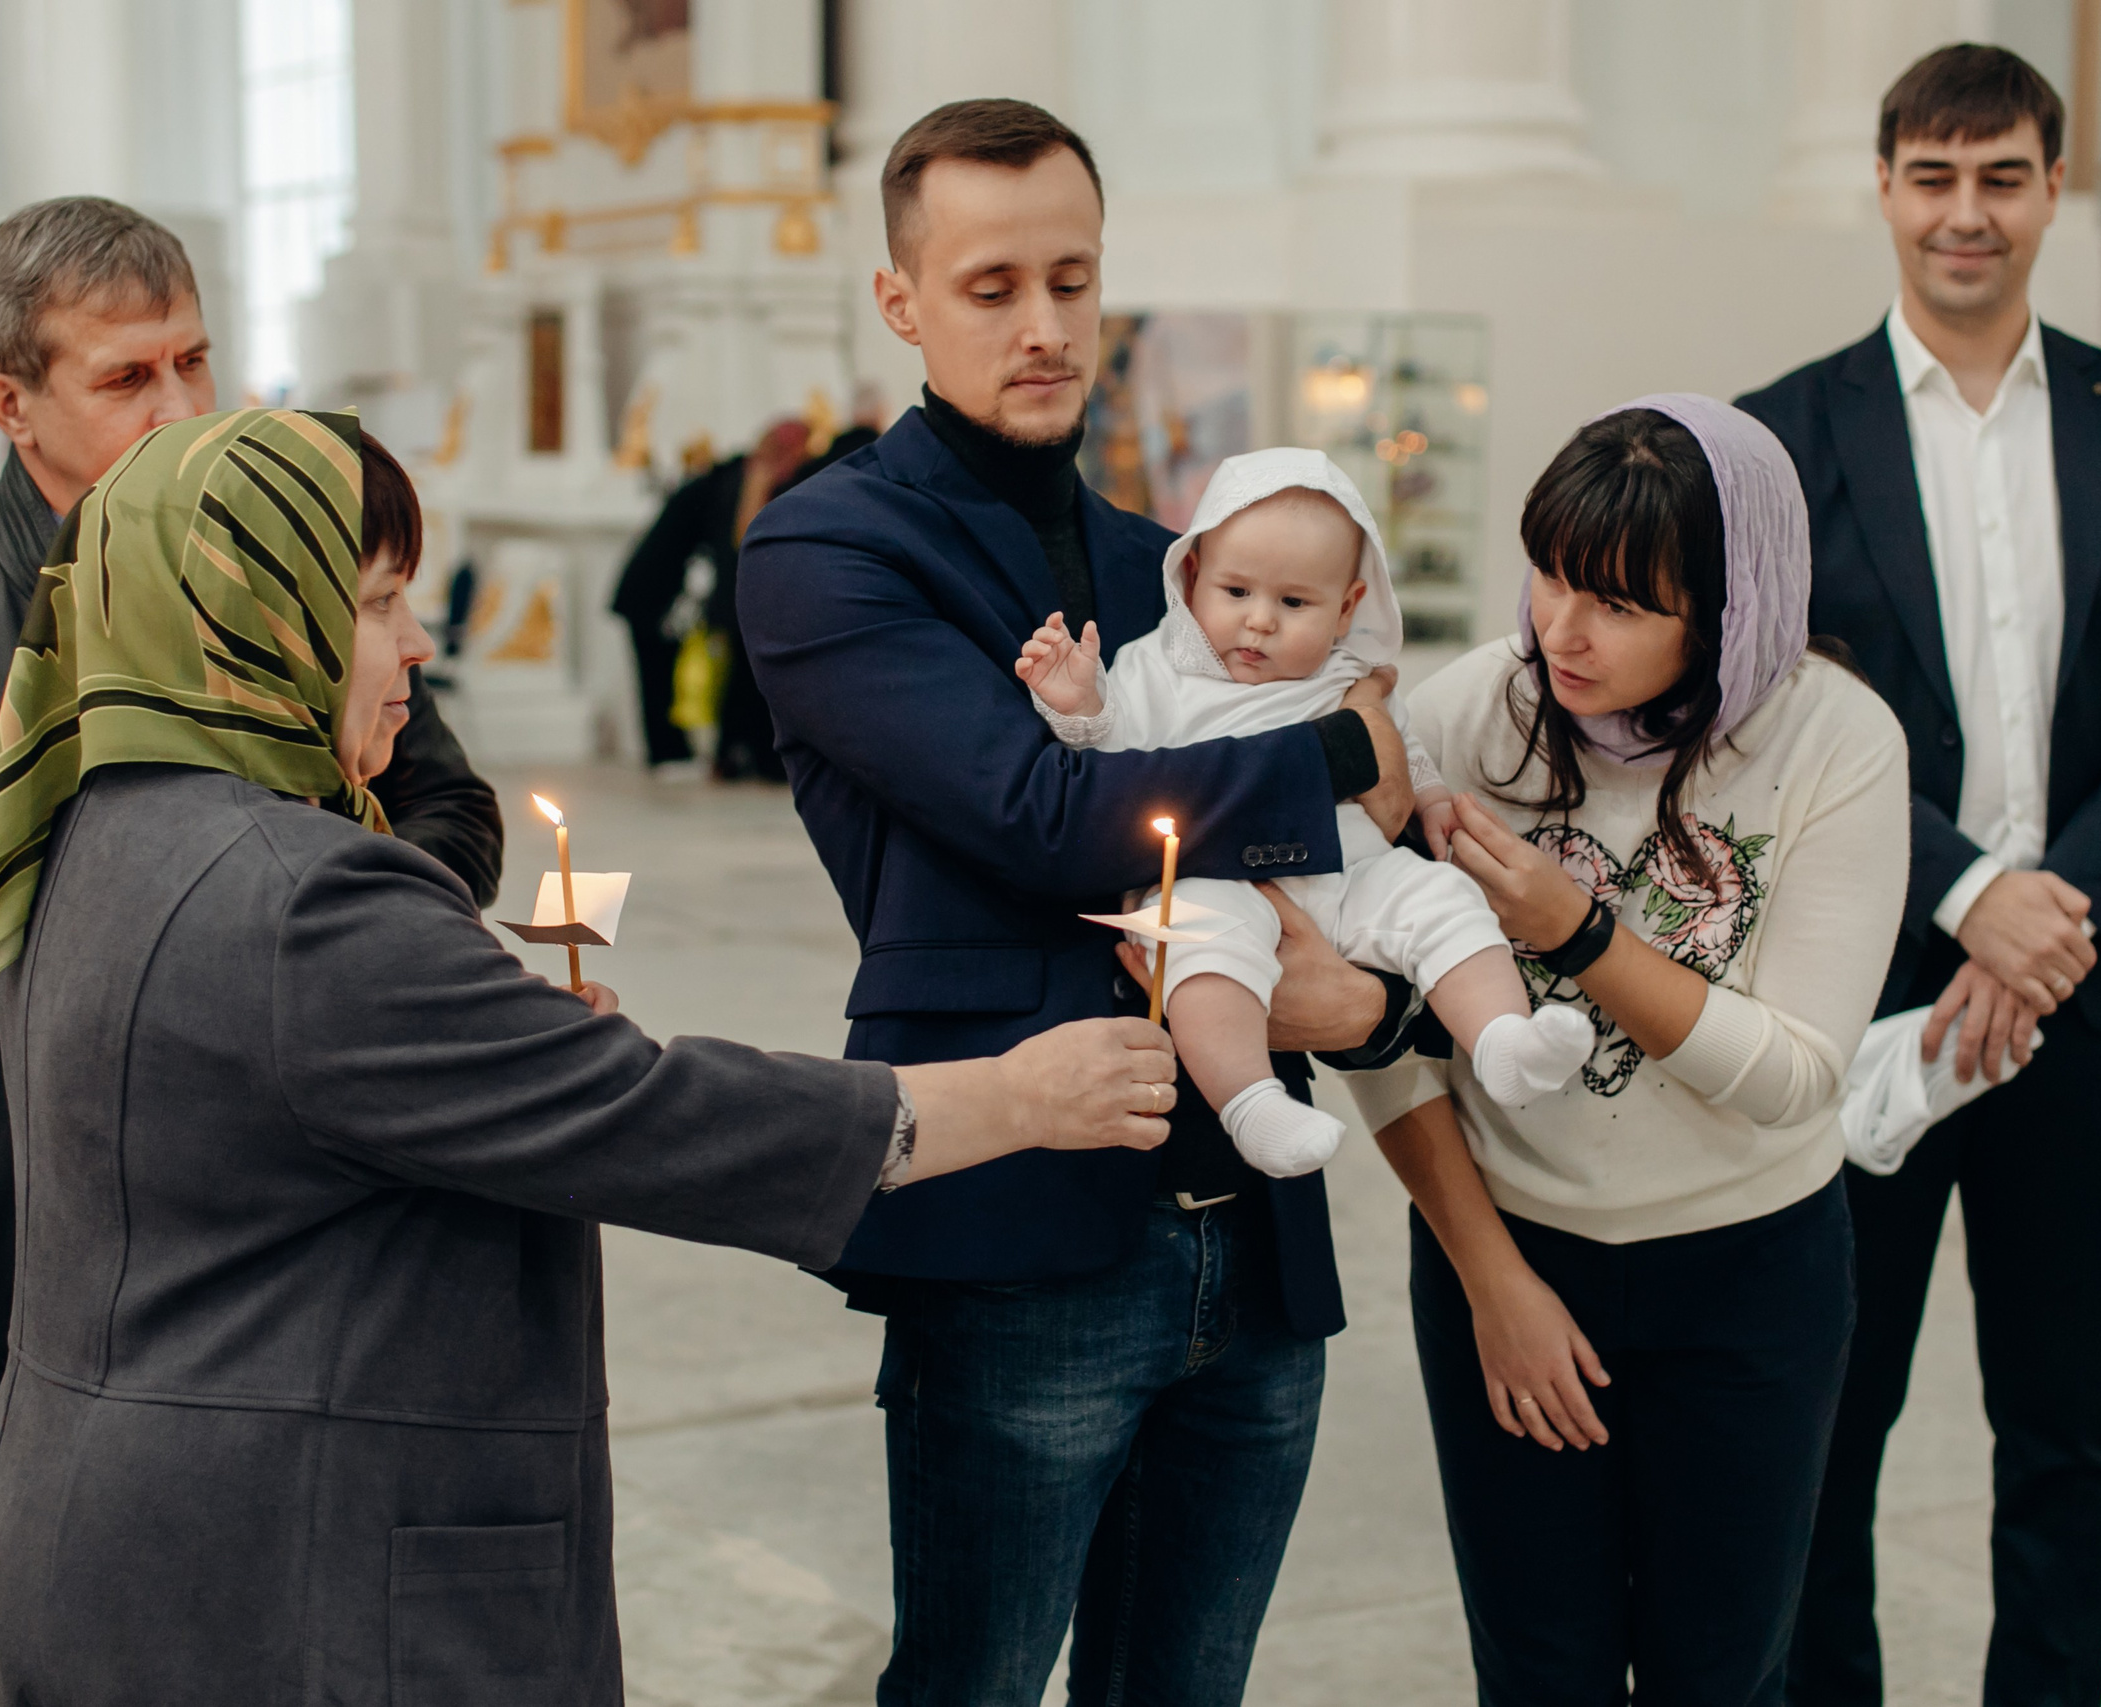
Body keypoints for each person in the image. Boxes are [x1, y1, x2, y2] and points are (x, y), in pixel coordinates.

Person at [0, 406, 1175, 1706]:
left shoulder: (97, 820)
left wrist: (489, 1043)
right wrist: (1014, 1092)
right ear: (245, 609)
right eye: (374, 602)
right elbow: (645, 1113)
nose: (418, 643)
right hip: (273, 1576)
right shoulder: (297, 896)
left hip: (101, 1532)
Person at [738, 100, 1424, 1705]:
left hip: (1248, 1236)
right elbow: (1046, 817)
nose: (1045, 326)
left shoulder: (1178, 563)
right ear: (901, 298)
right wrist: (1335, 742)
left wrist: (1376, 981)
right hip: (1025, 1224)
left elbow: (1368, 853)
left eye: (1072, 277)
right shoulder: (831, 549)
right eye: (991, 287)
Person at [0, 197, 502, 1707]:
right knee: (14, 1628)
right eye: (127, 379)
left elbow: (447, 799)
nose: (184, 409)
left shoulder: (280, 564)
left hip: (280, 1223)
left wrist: (354, 954)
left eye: (196, 361)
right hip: (6, 1235)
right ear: (10, 402)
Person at [1735, 45, 2101, 1706]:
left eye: (2002, 176)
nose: (1968, 213)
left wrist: (2052, 913)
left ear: (2048, 188)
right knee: (1832, 1412)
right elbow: (1769, 708)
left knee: (2061, 1427)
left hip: (2084, 1008)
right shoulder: (1781, 437)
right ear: (1884, 186)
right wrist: (1965, 896)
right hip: (1860, 994)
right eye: (1935, 177)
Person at [1349, 396, 1910, 1701]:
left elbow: (1792, 1074)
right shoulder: (1472, 714)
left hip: (1750, 1276)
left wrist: (1576, 930)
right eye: (1549, 572)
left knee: (1723, 1675)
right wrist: (1492, 1279)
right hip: (1510, 1248)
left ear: (1729, 609)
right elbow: (1385, 1034)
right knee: (1540, 1670)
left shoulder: (1836, 741)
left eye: (1618, 601)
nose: (1561, 629)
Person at [1019, 447, 1595, 1179]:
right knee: (1202, 946)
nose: (1258, 622)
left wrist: (1433, 801)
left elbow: (1404, 754)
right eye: (1235, 591)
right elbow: (1111, 753)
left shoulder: (1351, 676)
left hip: (1351, 874)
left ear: (1348, 607)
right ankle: (1251, 1102)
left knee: (1445, 900)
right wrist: (1078, 703)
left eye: (1294, 604)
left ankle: (1502, 1041)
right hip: (1217, 876)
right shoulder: (1153, 668)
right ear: (1192, 574)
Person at [609, 419, 811, 777]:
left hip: (654, 588)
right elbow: (737, 538)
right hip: (651, 590)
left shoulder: (727, 474)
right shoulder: (743, 478)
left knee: (665, 672)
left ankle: (676, 753)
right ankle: (668, 754)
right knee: (658, 674)